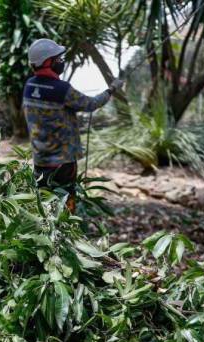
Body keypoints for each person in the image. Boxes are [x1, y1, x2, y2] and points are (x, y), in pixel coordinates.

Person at [23, 39, 124, 212]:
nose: (61, 62)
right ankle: (66, 234)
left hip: (40, 160)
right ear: (48, 62)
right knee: (65, 207)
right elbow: (90, 104)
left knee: (44, 204)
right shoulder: (61, 89)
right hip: (63, 164)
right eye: (58, 59)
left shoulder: (29, 85)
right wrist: (111, 89)